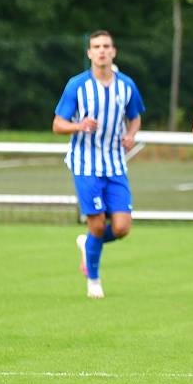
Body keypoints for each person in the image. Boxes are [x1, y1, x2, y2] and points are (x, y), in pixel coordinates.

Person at [52, 30, 145, 299]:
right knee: (96, 225)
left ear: (113, 52)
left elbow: (135, 117)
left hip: (115, 164)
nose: (102, 51)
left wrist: (131, 135)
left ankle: (87, 244)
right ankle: (93, 279)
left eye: (106, 46)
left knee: (122, 227)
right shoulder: (77, 85)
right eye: (96, 46)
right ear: (89, 53)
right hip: (86, 165)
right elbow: (57, 124)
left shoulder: (126, 85)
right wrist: (79, 125)